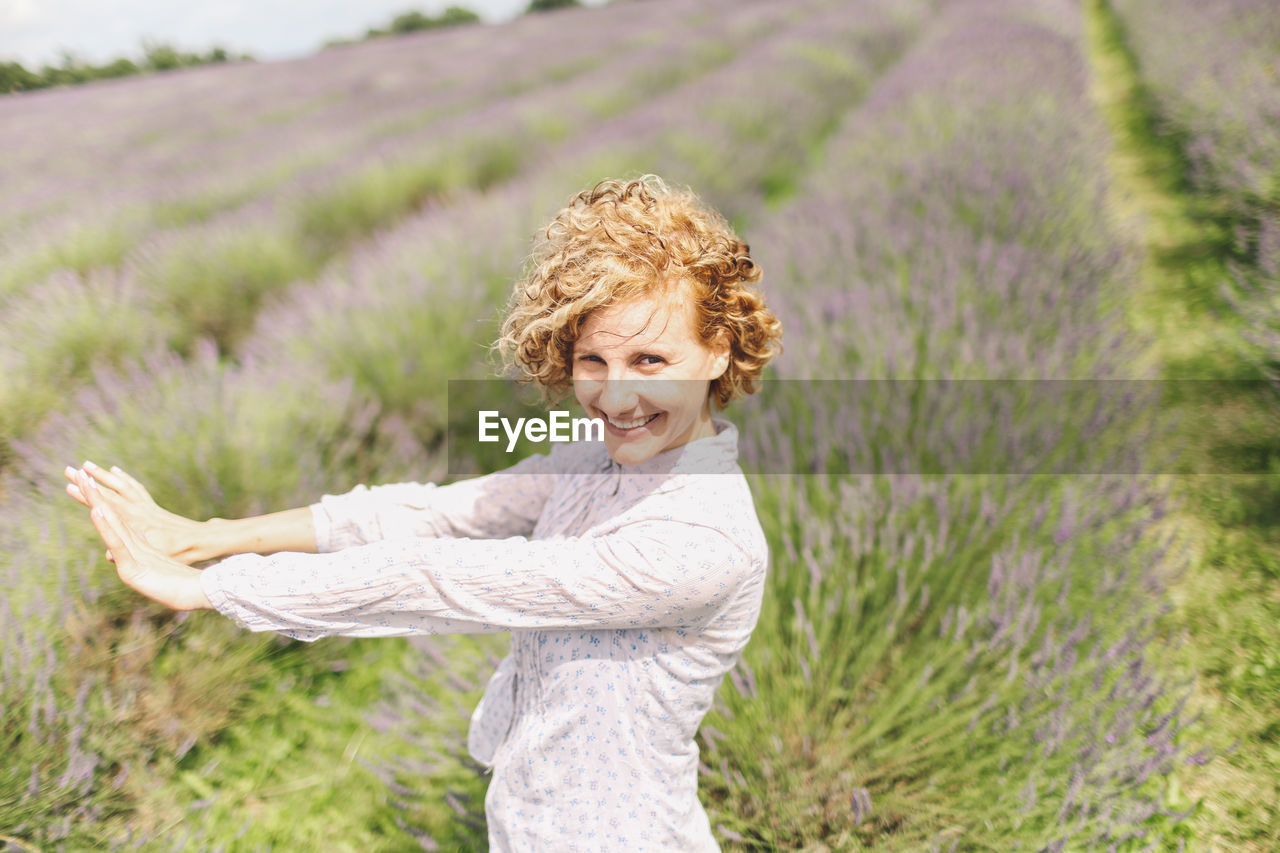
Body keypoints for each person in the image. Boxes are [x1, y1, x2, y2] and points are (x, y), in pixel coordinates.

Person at [66, 175, 783, 851]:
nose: (615, 395)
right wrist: (207, 537)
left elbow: (441, 577)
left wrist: (213, 589)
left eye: (651, 360)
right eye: (592, 360)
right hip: (531, 819)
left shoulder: (702, 539)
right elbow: (434, 515)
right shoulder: (596, 457)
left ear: (718, 350)